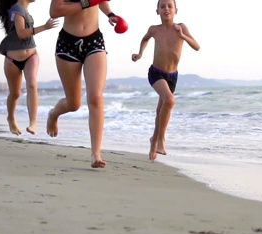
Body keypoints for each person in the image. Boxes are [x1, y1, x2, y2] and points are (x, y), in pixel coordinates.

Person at [47, 0, 125, 168]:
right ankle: (53, 114)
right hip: (68, 45)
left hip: (94, 41)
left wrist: (110, 14)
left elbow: (100, 1)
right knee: (73, 104)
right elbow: (55, 11)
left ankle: (95, 153)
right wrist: (85, 3)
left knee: (96, 97)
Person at [132, 0, 200, 160]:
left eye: (170, 6)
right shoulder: (154, 29)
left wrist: (182, 35)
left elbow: (197, 46)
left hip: (172, 76)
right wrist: (140, 53)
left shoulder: (181, 27)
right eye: (162, 6)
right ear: (157, 11)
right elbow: (145, 38)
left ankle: (153, 143)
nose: (166, 9)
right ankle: (161, 139)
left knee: (160, 111)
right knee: (169, 100)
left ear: (176, 10)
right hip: (156, 73)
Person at [0, 0, 58, 135]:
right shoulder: (17, 9)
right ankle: (11, 118)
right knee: (15, 93)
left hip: (31, 55)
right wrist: (45, 27)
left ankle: (33, 122)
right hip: (12, 59)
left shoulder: (24, 10)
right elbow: (21, 33)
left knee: (32, 84)